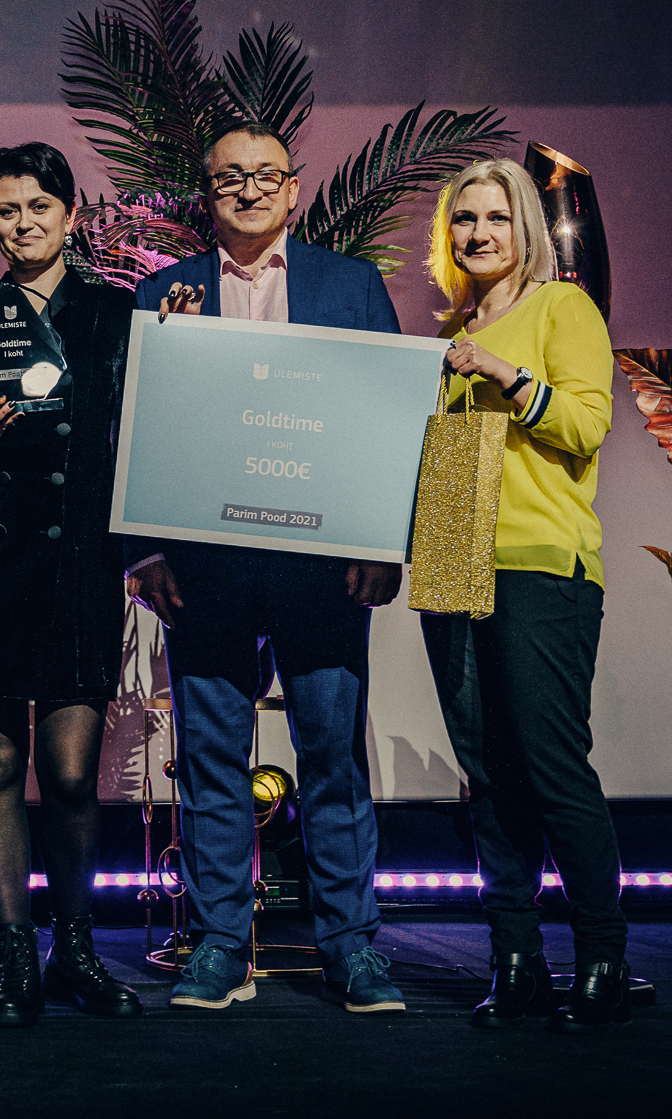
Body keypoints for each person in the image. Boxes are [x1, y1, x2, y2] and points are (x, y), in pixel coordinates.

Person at [124, 123, 406, 1014]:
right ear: (205, 194)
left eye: (264, 176)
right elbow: (136, 421)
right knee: (211, 759)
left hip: (322, 567)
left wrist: (381, 539)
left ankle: (351, 948)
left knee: (332, 755)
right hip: (204, 568)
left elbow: (388, 417)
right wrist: (146, 550)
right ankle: (220, 945)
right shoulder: (165, 291)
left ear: (293, 189)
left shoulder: (350, 285)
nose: (247, 190)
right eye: (228, 178)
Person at [0, 143, 144, 1028]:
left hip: (79, 563)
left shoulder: (116, 313)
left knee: (72, 772)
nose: (23, 223)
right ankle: (15, 957)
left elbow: (142, 432)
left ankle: (75, 951)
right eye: (7, 210)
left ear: (71, 213)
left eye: (39, 206)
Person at [418, 159, 629, 1033]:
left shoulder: (560, 309)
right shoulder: (445, 337)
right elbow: (435, 463)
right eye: (463, 219)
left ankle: (604, 957)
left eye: (496, 217)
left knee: (550, 767)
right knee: (487, 776)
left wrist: (504, 372)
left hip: (540, 563)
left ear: (528, 229)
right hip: (449, 557)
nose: (478, 233)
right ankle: (516, 961)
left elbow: (587, 424)